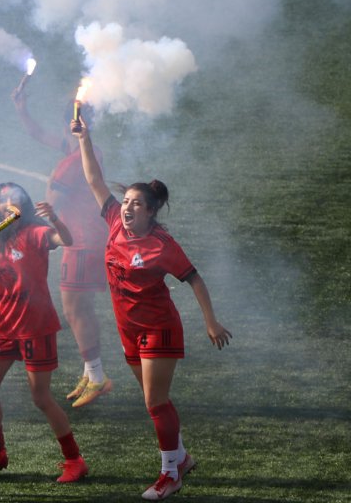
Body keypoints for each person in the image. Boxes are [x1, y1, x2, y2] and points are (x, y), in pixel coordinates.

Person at [73, 117, 232, 501]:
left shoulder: (163, 245)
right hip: (128, 328)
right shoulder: (113, 221)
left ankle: (169, 475)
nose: (126, 208)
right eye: (125, 201)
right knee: (154, 400)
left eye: (135, 204)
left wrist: (210, 322)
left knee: (155, 402)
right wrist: (85, 137)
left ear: (151, 211)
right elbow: (95, 179)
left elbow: (193, 278)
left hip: (159, 328)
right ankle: (182, 457)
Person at [0, 183, 88, 484]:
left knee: (40, 396)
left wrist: (56, 218)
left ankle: (74, 460)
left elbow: (67, 239)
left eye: (15, 199)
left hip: (36, 326)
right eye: (2, 200)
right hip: (5, 327)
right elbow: (1, 282)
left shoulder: (36, 233)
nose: (9, 203)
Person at [14, 85, 113, 406]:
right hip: (88, 239)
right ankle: (91, 371)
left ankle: (97, 377)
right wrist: (22, 109)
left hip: (81, 242)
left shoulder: (71, 163)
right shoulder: (82, 150)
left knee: (74, 308)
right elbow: (38, 134)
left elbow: (51, 202)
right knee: (81, 308)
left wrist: (21, 230)